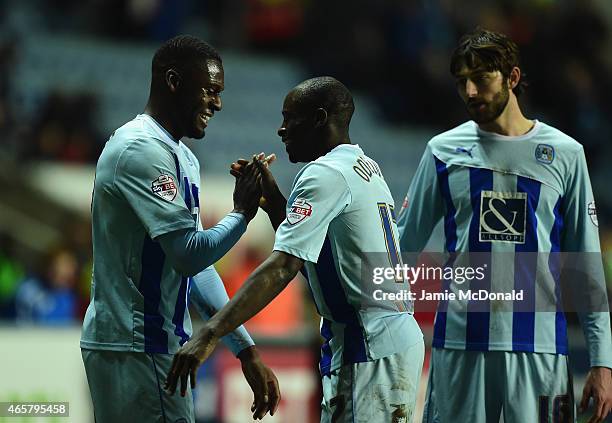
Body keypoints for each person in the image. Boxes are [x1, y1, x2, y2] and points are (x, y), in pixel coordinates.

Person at [165, 76, 425, 422]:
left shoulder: (323, 173)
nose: (281, 130)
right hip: (389, 339)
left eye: (290, 118)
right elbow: (317, 257)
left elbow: (283, 266)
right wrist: (273, 201)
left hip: (369, 345)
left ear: (319, 119)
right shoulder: (362, 166)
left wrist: (211, 333)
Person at [397, 28, 612, 423]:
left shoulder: (565, 154)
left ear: (512, 78)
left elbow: (586, 266)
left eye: (481, 78)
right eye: (462, 82)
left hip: (540, 348)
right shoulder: (442, 151)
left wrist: (602, 362)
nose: (470, 92)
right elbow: (402, 250)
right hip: (460, 346)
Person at [80, 35, 280, 422]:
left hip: (146, 347)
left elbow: (196, 269)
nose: (218, 103)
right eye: (210, 91)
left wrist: (245, 349)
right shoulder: (140, 149)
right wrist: (242, 212)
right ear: (173, 81)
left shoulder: (180, 155)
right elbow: (189, 255)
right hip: (138, 346)